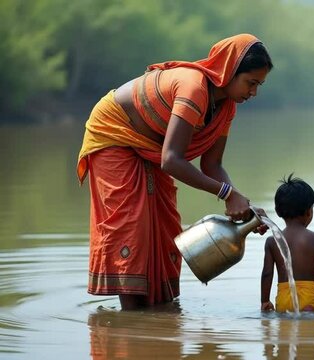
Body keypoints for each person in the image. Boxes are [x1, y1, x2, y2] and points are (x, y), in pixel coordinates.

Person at [76, 34, 272, 310]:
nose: (253, 93)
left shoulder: (226, 107)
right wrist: (227, 193)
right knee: (133, 226)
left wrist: (241, 202)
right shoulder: (194, 89)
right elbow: (171, 160)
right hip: (115, 134)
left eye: (259, 85)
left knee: (165, 225)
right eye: (250, 83)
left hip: (152, 145)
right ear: (229, 71)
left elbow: (212, 165)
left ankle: (160, 314)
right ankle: (133, 319)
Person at [260, 174, 314, 313]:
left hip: (284, 298)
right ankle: (308, 312)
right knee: (311, 326)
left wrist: (264, 301)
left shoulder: (272, 241)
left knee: (286, 331)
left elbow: (266, 274)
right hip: (311, 296)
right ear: (309, 211)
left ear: (277, 211)